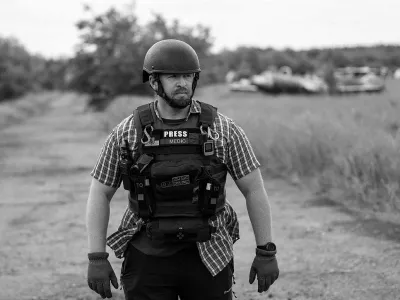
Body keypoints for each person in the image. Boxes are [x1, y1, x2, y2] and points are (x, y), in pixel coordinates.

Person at [85, 39, 279, 300]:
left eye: (188, 76)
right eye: (173, 76)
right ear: (154, 82)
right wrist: (97, 257)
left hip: (210, 252)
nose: (182, 83)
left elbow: (254, 189)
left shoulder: (223, 129)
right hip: (147, 253)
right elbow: (100, 192)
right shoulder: (129, 131)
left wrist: (265, 250)